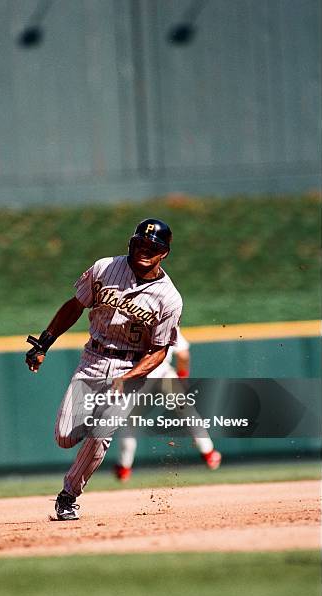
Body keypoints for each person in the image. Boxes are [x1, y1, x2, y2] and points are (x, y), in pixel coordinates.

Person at [25, 218, 183, 520]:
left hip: (131, 365)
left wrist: (128, 378)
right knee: (64, 437)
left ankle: (69, 495)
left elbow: (160, 351)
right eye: (140, 243)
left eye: (153, 247)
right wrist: (43, 344)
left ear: (164, 253)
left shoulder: (169, 298)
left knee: (101, 432)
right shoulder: (105, 268)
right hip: (93, 360)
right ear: (131, 243)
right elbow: (75, 306)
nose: (144, 250)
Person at [113, 327, 222, 481]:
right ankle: (209, 453)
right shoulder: (168, 324)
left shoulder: (129, 326)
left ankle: (124, 468)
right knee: (188, 413)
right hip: (164, 375)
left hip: (139, 380)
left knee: (130, 423)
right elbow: (183, 355)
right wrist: (182, 379)